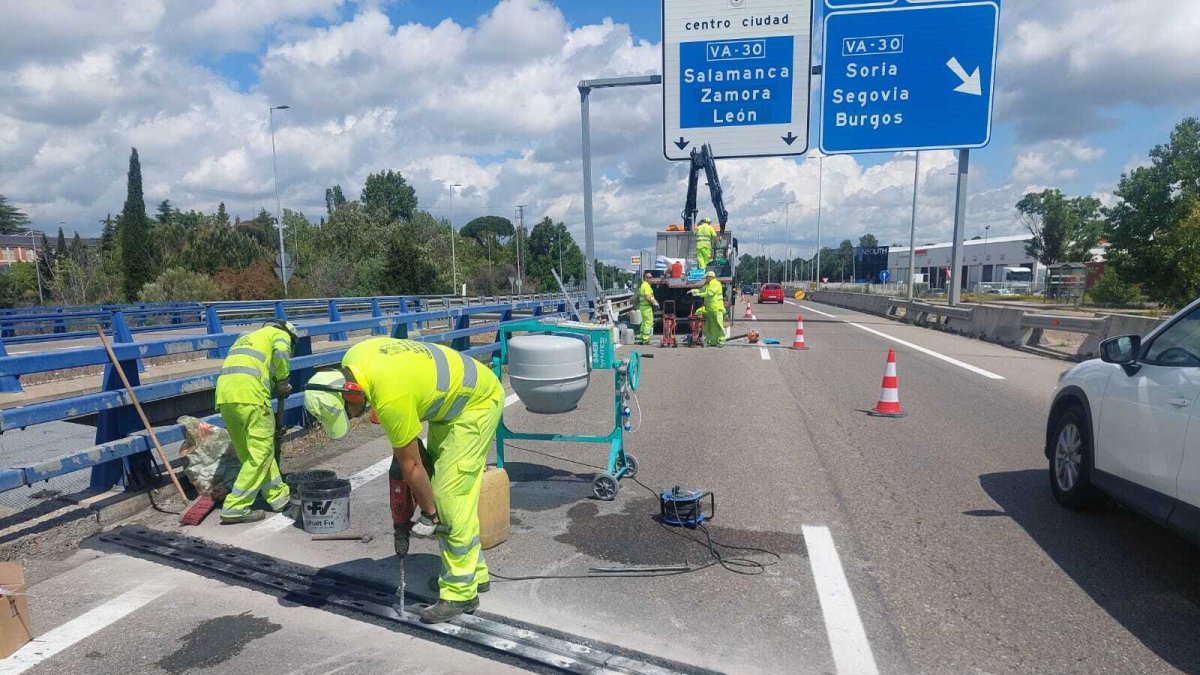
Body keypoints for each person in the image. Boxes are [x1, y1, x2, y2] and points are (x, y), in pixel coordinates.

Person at [304, 337, 503, 624]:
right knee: (441, 485)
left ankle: (461, 593)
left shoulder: (390, 396)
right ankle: (474, 574)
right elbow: (412, 455)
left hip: (476, 403)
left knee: (448, 497)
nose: (353, 416)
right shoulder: (356, 359)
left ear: (351, 392)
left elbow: (411, 465)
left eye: (348, 412)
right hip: (449, 406)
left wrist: (430, 514)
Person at [214, 320, 298, 523]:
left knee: (251, 454)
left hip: (225, 397)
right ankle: (235, 506)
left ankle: (278, 496)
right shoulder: (280, 334)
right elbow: (280, 352)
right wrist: (283, 380)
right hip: (251, 397)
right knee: (261, 453)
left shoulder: (247, 337)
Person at [691, 271, 726, 346]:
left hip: (716, 308)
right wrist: (694, 290)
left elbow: (710, 293)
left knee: (718, 324)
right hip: (709, 308)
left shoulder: (716, 284)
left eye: (707, 277)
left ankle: (721, 340)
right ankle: (712, 341)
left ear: (711, 277)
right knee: (709, 325)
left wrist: (699, 294)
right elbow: (701, 289)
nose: (706, 279)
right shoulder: (708, 284)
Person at [637, 271, 659, 345]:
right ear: (645, 278)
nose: (651, 279)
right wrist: (653, 304)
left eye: (651, 277)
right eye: (649, 277)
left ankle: (641, 338)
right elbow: (647, 297)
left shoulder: (643, 285)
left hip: (643, 307)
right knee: (648, 322)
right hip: (646, 307)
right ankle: (646, 339)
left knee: (644, 323)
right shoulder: (646, 285)